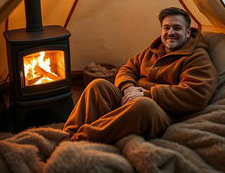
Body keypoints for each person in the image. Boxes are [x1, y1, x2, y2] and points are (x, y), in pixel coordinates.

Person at [63, 7, 217, 143]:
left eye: (177, 28)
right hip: (131, 97)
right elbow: (127, 69)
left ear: (188, 32)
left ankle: (82, 138)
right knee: (98, 85)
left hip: (162, 111)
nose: (170, 33)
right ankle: (68, 133)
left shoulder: (197, 58)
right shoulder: (153, 50)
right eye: (166, 28)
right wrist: (128, 87)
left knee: (143, 105)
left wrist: (147, 95)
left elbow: (196, 94)